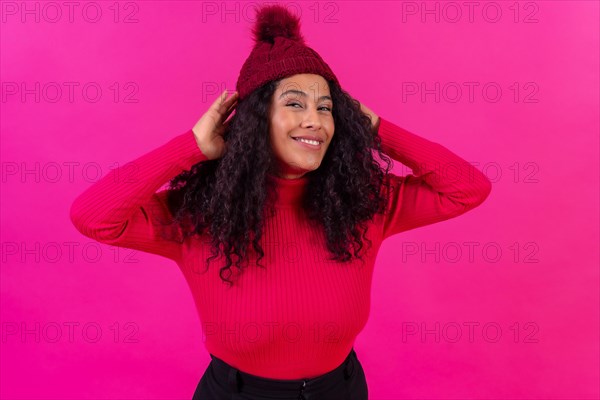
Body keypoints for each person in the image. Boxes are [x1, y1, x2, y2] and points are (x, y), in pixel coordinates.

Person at [69, 4, 492, 400]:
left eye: (326, 108)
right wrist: (191, 146)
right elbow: (93, 217)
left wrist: (374, 127)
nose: (315, 120)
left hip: (339, 389)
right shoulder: (198, 213)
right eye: (295, 103)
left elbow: (468, 187)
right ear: (255, 121)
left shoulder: (363, 202)